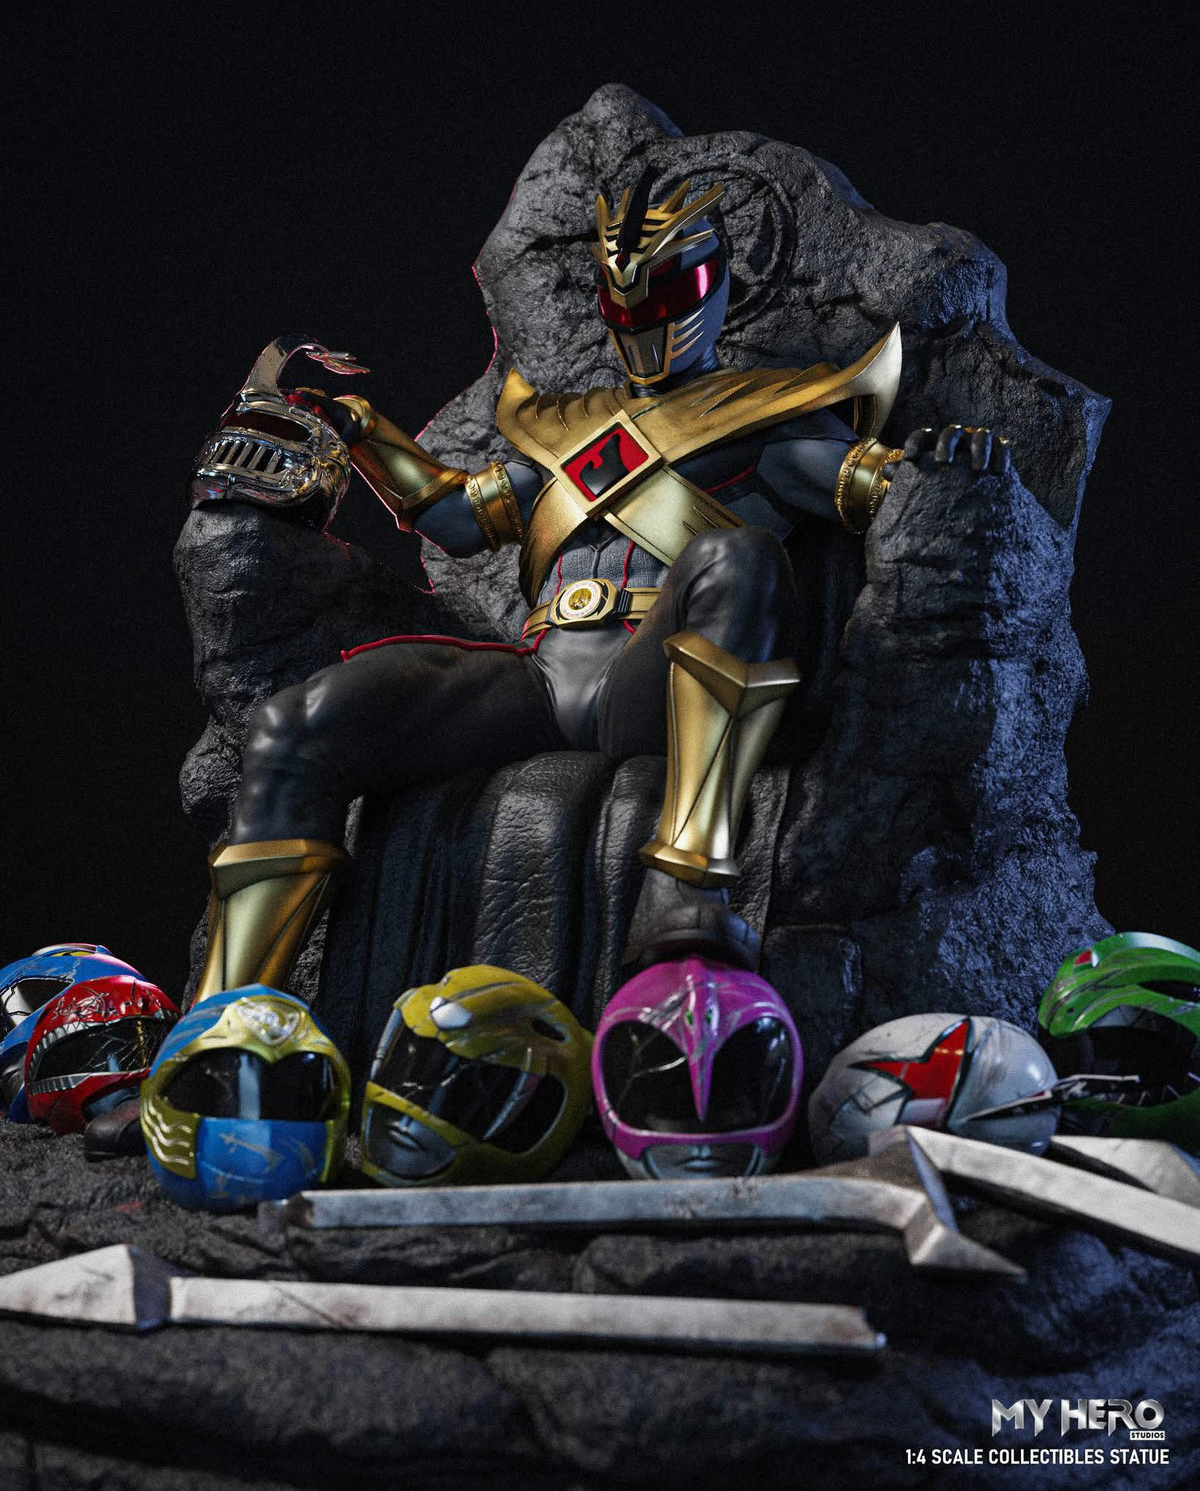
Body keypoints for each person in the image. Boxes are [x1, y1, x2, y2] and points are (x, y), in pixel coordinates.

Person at [191, 169, 1008, 1010]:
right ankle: (219, 1023)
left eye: (666, 290)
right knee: (294, 725)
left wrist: (940, 462)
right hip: (539, 676)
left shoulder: (769, 413)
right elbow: (454, 515)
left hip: (656, 684)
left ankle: (687, 888)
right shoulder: (563, 426)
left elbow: (867, 485)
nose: (646, 316)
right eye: (626, 295)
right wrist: (362, 430)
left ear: (714, 287)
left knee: (741, 558)